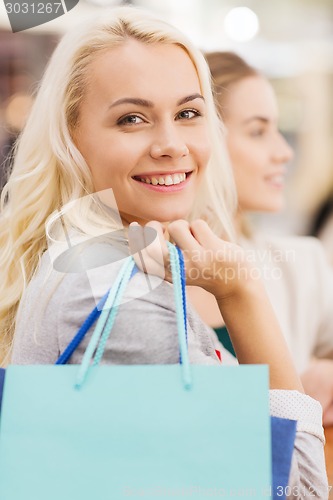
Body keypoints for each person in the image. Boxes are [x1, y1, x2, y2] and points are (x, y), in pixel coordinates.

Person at [0, 7, 328, 495]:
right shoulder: (120, 299)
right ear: (72, 135)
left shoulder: (87, 253)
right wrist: (242, 292)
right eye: (132, 119)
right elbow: (301, 488)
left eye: (188, 113)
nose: (171, 144)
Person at [189, 51, 333, 426]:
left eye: (276, 129)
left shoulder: (301, 262)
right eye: (257, 131)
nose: (284, 152)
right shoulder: (139, 272)